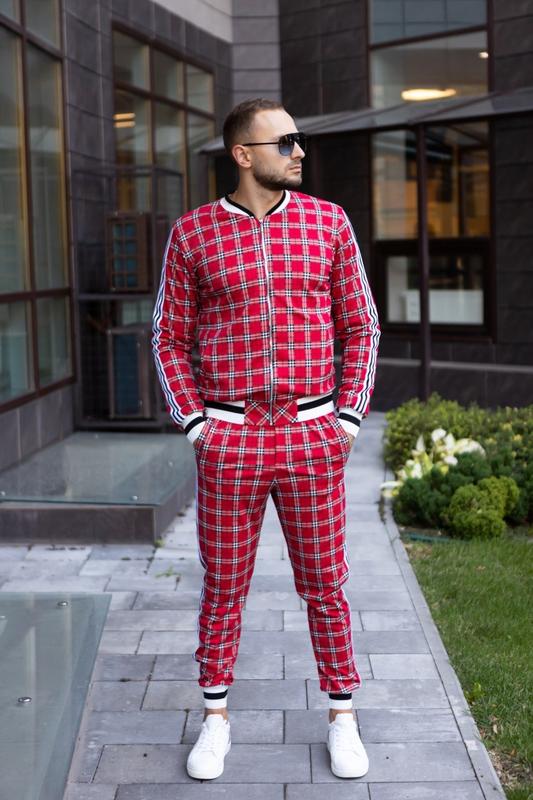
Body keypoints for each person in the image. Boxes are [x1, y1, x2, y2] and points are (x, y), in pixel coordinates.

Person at [152, 97, 380, 781]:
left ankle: (342, 716)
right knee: (223, 585)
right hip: (230, 438)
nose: (299, 151)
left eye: (298, 139)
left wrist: (346, 420)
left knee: (326, 583)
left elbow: (361, 326)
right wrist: (197, 426)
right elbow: (168, 338)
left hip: (311, 434)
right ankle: (215, 719)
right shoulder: (193, 234)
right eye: (284, 142)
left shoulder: (328, 222)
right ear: (243, 154)